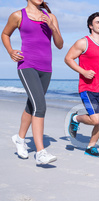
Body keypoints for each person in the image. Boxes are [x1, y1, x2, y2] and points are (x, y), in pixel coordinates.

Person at [1, 0, 63, 165]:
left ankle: (20, 139)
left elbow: (59, 45)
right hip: (27, 65)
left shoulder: (50, 17)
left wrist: (52, 26)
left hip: (46, 68)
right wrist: (10, 51)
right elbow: (5, 34)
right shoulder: (17, 15)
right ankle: (41, 152)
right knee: (40, 106)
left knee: (32, 105)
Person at [65, 12, 99, 158]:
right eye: (97, 22)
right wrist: (83, 71)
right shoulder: (83, 42)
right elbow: (68, 58)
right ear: (90, 26)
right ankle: (75, 119)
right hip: (88, 88)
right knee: (96, 119)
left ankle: (90, 147)